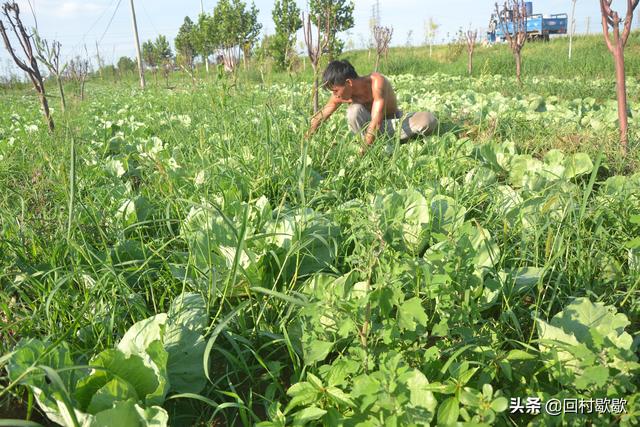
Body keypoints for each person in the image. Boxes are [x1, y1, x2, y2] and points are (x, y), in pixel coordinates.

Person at [305, 60, 438, 152]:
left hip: (392, 123)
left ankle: (379, 144)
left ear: (348, 83)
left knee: (428, 120)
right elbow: (320, 117)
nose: (335, 95)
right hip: (369, 132)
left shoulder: (376, 82)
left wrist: (362, 153)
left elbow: (376, 123)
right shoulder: (341, 95)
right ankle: (380, 144)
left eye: (335, 90)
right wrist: (305, 141)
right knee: (354, 110)